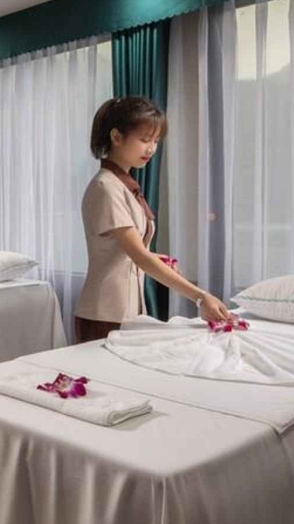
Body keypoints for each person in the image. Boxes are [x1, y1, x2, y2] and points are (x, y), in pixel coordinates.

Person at [74, 96, 232, 343]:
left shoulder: (124, 187)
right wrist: (200, 297)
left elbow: (126, 253)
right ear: (116, 137)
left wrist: (156, 258)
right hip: (104, 313)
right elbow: (138, 255)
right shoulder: (106, 187)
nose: (151, 149)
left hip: (126, 312)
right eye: (145, 140)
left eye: (156, 141)